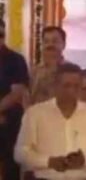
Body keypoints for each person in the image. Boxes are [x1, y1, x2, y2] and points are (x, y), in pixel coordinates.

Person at [15, 63, 86, 180]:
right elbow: (20, 153)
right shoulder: (35, 113)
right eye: (66, 86)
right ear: (55, 86)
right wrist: (49, 162)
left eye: (76, 86)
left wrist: (84, 160)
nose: (71, 90)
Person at [0, 19, 29, 180]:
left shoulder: (15, 59)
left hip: (8, 123)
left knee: (10, 169)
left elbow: (17, 93)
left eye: (1, 34)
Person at [29, 26, 76, 104]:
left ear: (63, 44)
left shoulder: (72, 71)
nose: (50, 45)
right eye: (46, 41)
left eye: (55, 41)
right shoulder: (34, 71)